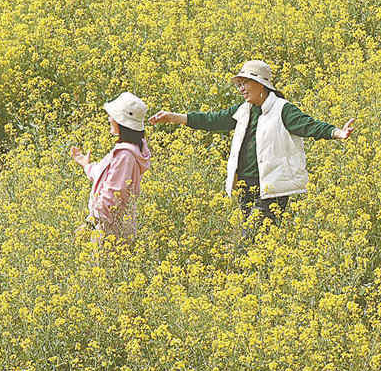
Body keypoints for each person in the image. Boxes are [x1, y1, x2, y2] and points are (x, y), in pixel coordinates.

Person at [149, 60, 354, 233]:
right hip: (245, 185)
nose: (241, 88)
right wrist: (175, 118)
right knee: (254, 238)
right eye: (239, 84)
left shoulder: (283, 110)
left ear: (261, 84)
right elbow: (214, 120)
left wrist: (337, 133)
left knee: (255, 237)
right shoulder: (244, 110)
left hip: (271, 187)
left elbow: (309, 126)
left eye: (245, 83)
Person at [69, 92, 152, 241]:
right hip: (113, 225)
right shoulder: (131, 149)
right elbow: (104, 175)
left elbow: (114, 193)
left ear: (122, 123)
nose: (109, 119)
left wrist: (90, 224)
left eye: (113, 116)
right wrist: (85, 164)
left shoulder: (125, 156)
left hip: (111, 230)